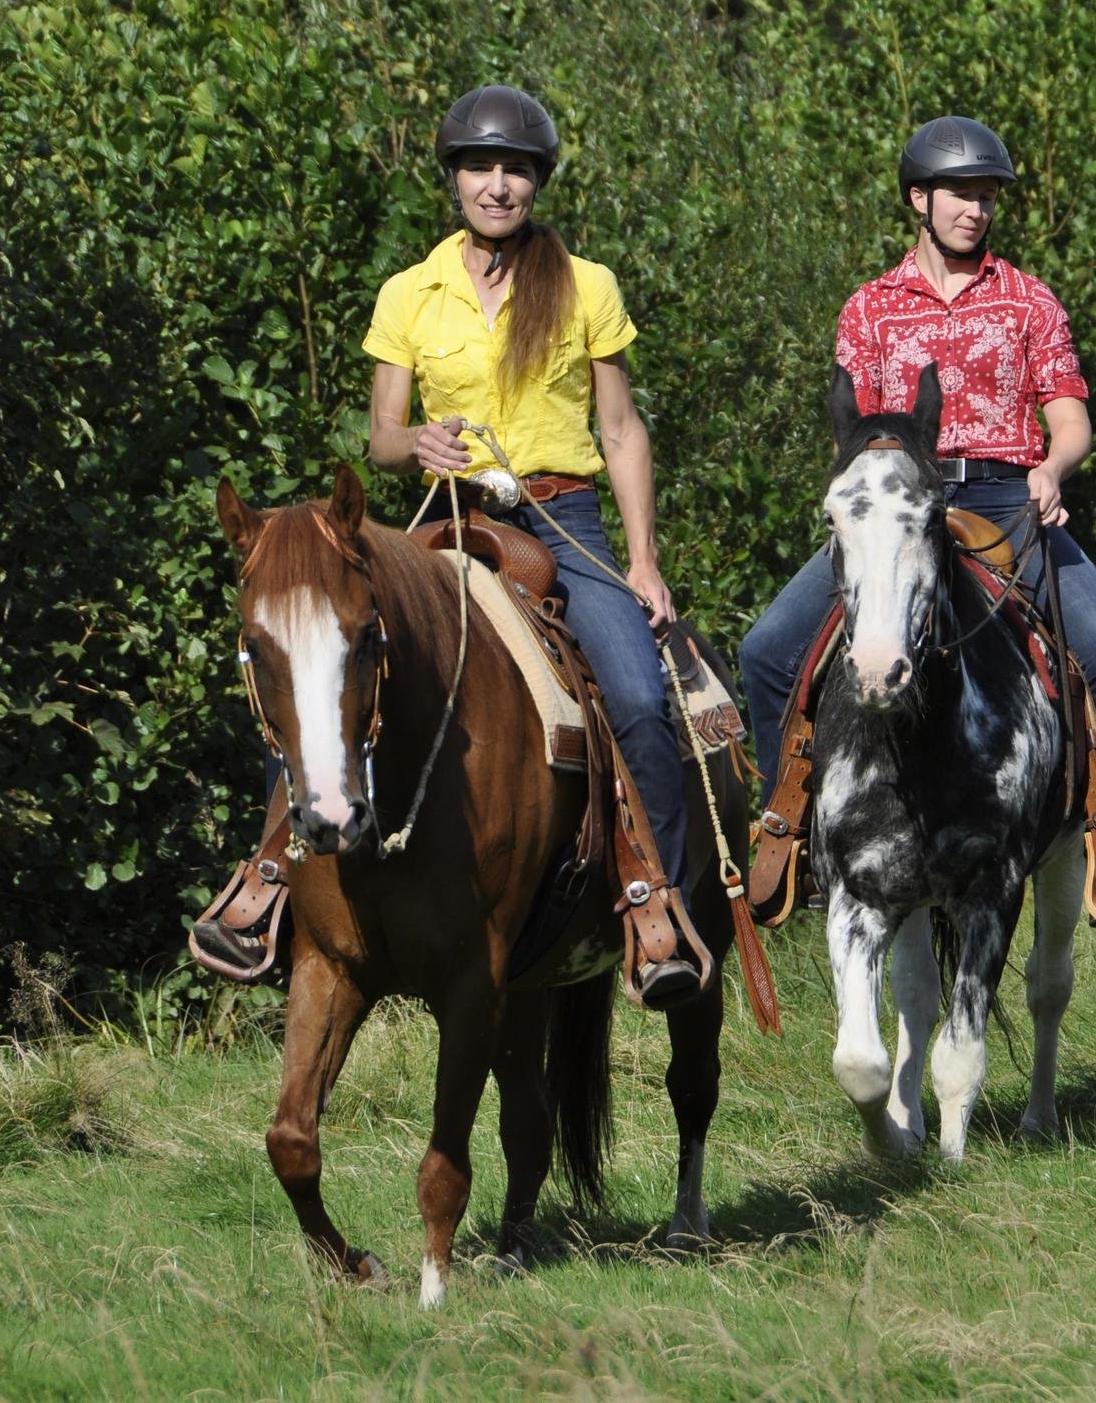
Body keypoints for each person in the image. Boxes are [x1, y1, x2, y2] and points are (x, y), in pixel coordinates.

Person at [193, 83, 713, 1006]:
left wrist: (641, 560)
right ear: (455, 179)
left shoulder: (586, 285)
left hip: (564, 519)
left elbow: (623, 429)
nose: (498, 185)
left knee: (637, 694)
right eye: (481, 166)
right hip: (444, 522)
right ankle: (269, 881)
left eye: (515, 169)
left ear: (537, 182)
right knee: (326, 663)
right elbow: (383, 436)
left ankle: (652, 907)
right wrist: (416, 445)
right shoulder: (410, 292)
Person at [738, 116, 1096, 905]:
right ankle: (787, 835)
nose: (977, 208)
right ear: (918, 199)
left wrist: (1052, 469)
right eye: (962, 192)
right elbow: (855, 429)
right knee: (766, 650)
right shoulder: (869, 308)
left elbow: (1071, 421)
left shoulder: (1030, 300)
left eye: (988, 194)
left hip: (1007, 498)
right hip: (898, 509)